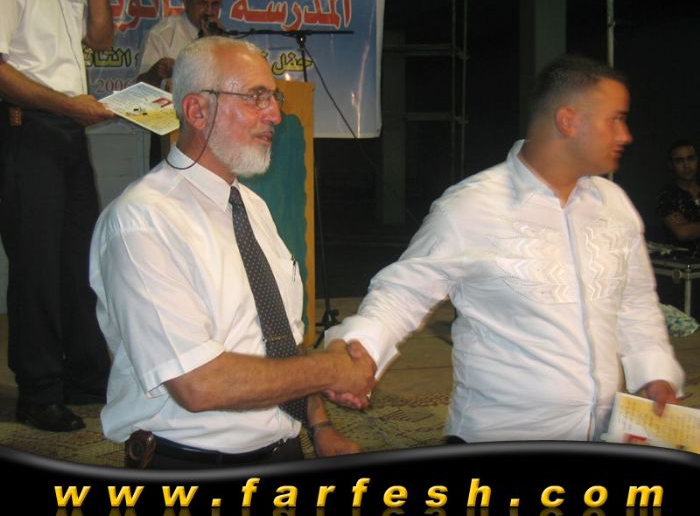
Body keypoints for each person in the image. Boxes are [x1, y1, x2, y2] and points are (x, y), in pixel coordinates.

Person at [325, 55, 685, 443]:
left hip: (602, 434)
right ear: (568, 120)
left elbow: (635, 302)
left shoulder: (614, 205)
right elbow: (402, 294)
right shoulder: (472, 207)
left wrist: (654, 374)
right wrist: (359, 352)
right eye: (615, 119)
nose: (625, 135)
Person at [90, 37, 375, 469]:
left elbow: (277, 338)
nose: (275, 114)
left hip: (284, 450)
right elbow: (198, 384)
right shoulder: (142, 222)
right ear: (197, 111)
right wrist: (331, 369)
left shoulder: (251, 207)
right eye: (256, 97)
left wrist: (319, 425)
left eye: (274, 97)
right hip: (190, 465)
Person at [0, 0, 114, 432]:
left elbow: (101, 40)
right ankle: (39, 392)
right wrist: (67, 105)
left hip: (68, 129)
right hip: (26, 125)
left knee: (78, 263)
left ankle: (85, 378)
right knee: (37, 268)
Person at [137, 0, 223, 88]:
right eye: (202, 4)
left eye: (215, 4)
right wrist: (156, 73)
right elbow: (140, 87)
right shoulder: (162, 34)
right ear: (186, 3)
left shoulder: (224, 38)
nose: (209, 11)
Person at [656, 139, 700, 252]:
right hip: (683, 260)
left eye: (690, 158)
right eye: (679, 161)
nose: (686, 165)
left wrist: (690, 226)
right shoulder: (668, 196)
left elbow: (687, 231)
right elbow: (682, 233)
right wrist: (686, 230)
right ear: (671, 165)